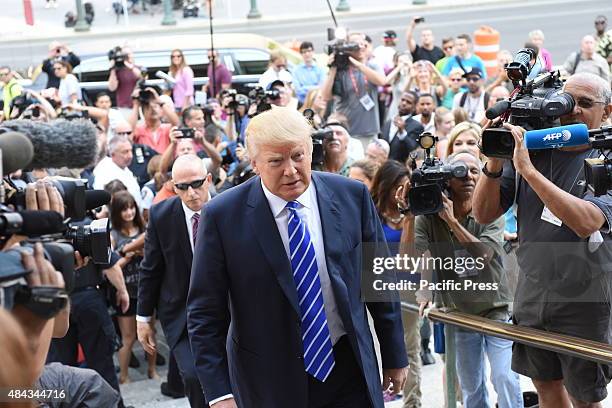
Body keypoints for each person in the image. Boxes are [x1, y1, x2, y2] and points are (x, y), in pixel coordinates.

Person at [187, 106, 408, 408]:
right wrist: (218, 392)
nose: (290, 170)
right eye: (276, 161)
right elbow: (205, 313)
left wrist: (395, 355)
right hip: (268, 379)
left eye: (298, 156)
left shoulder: (351, 197)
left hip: (348, 365)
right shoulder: (223, 217)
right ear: (254, 163)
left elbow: (379, 282)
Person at [473, 72, 612, 408]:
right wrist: (495, 159)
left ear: (607, 111)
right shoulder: (534, 148)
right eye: (567, 101)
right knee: (545, 385)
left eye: (585, 104)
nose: (573, 110)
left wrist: (529, 172)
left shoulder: (606, 156)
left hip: (586, 295)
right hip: (533, 290)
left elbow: (586, 221)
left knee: (584, 397)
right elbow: (483, 213)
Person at [398, 149, 522, 408]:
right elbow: (413, 260)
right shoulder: (427, 218)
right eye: (459, 172)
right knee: (470, 386)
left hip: (496, 309)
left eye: (475, 171)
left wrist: (452, 221)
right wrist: (409, 218)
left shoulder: (490, 211)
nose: (467, 177)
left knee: (504, 378)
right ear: (445, 180)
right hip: (459, 314)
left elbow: (484, 255)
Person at [137, 154, 211, 407]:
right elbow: (151, 268)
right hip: (182, 313)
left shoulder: (229, 207)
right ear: (172, 186)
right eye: (182, 187)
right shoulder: (161, 215)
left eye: (197, 184)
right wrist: (143, 317)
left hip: (229, 311)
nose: (191, 193)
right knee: (193, 377)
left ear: (209, 180)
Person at [109, 190, 157, 384]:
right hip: (126, 292)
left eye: (131, 208)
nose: (128, 213)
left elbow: (155, 256)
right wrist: (127, 256)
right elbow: (110, 268)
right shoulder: (113, 235)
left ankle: (152, 371)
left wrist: (142, 253)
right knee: (128, 337)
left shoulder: (143, 228)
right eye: (124, 209)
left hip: (146, 289)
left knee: (150, 332)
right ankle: (124, 376)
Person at [322, 32, 386, 150]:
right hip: (345, 130)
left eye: (363, 44)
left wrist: (360, 65)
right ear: (347, 48)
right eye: (355, 45)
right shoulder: (341, 70)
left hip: (368, 129)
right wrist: (333, 68)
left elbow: (382, 81)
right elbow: (325, 96)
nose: (360, 47)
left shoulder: (372, 65)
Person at [93, 135, 145, 211]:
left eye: (131, 150)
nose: (130, 156)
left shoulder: (124, 167)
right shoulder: (105, 171)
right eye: (125, 152)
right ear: (113, 154)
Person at [128, 87, 181, 154]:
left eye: (155, 106)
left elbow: (177, 123)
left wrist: (159, 101)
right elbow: (128, 130)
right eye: (148, 107)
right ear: (143, 113)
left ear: (161, 111)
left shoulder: (167, 128)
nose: (153, 109)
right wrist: (136, 104)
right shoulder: (139, 130)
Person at [382, 91, 424, 163]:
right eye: (402, 100)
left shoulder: (417, 126)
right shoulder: (388, 123)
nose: (404, 103)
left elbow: (413, 150)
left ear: (414, 107)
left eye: (408, 102)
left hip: (400, 167)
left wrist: (402, 132)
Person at [108, 46, 142, 111]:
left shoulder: (140, 68)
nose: (126, 57)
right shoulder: (117, 71)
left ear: (132, 55)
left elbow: (144, 76)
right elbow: (112, 88)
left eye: (128, 54)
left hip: (140, 106)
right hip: (124, 107)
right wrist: (112, 69)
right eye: (123, 55)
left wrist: (130, 67)